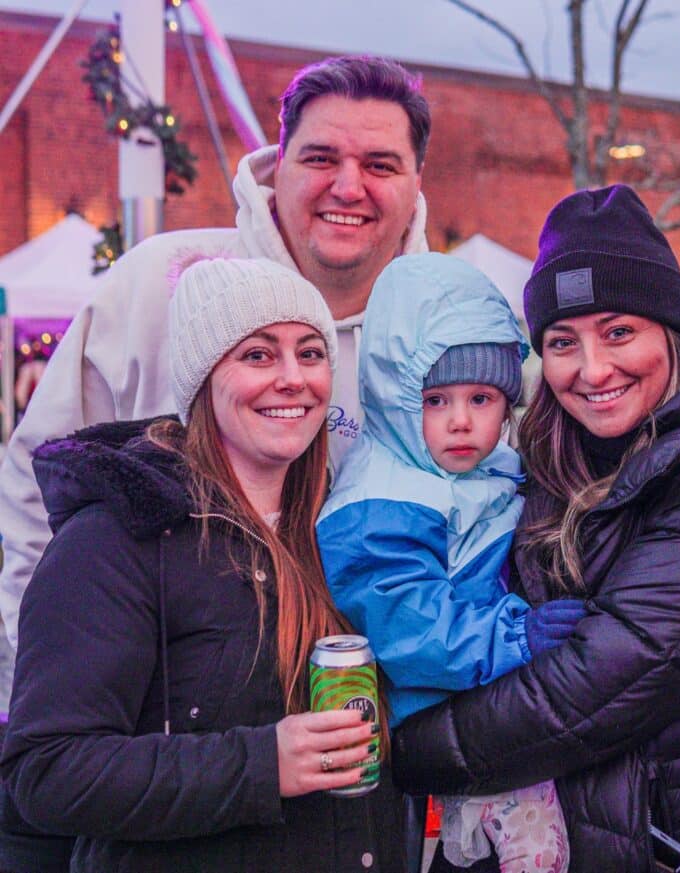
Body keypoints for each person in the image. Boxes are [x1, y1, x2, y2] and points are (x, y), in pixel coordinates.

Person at [0, 53, 430, 659]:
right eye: (320, 158)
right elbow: (39, 490)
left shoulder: (444, 332)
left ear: (416, 185)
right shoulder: (159, 283)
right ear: (278, 167)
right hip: (148, 720)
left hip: (364, 711)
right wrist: (40, 691)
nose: (348, 186)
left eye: (380, 165)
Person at [390, 186, 680, 872]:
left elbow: (595, 685)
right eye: (564, 342)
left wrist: (402, 750)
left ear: (671, 332)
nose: (593, 370)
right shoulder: (528, 465)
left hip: (668, 846)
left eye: (619, 332)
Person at [0, 257, 405, 872]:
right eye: (258, 356)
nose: (293, 379)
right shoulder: (115, 538)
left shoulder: (343, 527)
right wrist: (261, 765)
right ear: (202, 380)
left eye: (311, 352)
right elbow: (48, 771)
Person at [317, 253, 583, 873]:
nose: (462, 421)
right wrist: (517, 634)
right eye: (435, 399)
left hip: (483, 698)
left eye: (483, 397)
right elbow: (406, 623)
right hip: (437, 715)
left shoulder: (484, 470)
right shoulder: (379, 500)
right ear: (396, 398)